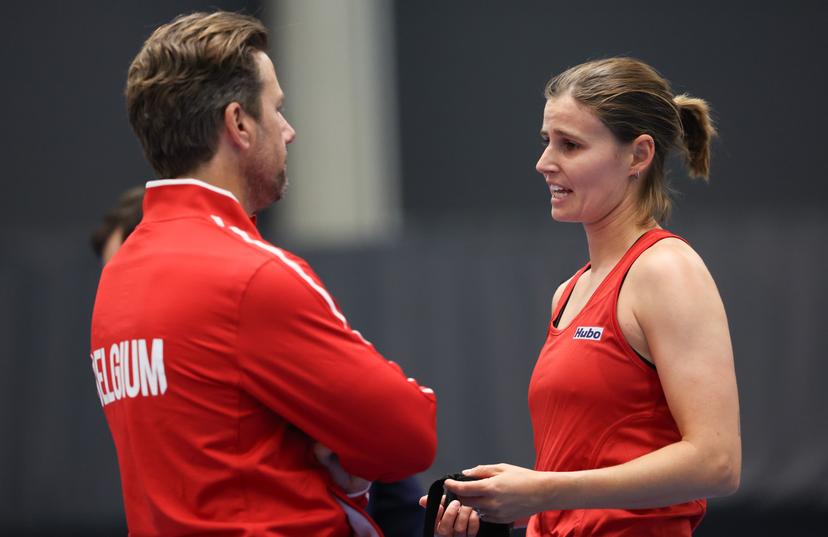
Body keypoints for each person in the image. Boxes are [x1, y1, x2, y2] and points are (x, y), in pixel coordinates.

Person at [89, 11, 437, 537]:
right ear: (239, 124)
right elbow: (410, 435)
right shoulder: (250, 273)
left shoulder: (118, 279)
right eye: (277, 108)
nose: (290, 130)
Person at [427, 57, 741, 536]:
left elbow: (716, 462)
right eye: (546, 142)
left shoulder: (666, 271)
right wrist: (498, 503)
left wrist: (545, 488)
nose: (544, 162)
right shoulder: (568, 292)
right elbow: (576, 477)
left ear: (638, 155)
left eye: (570, 145)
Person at [91, 184, 428, 536]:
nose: (123, 287)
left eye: (128, 265)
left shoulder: (258, 323)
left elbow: (399, 452)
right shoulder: (162, 376)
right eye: (114, 274)